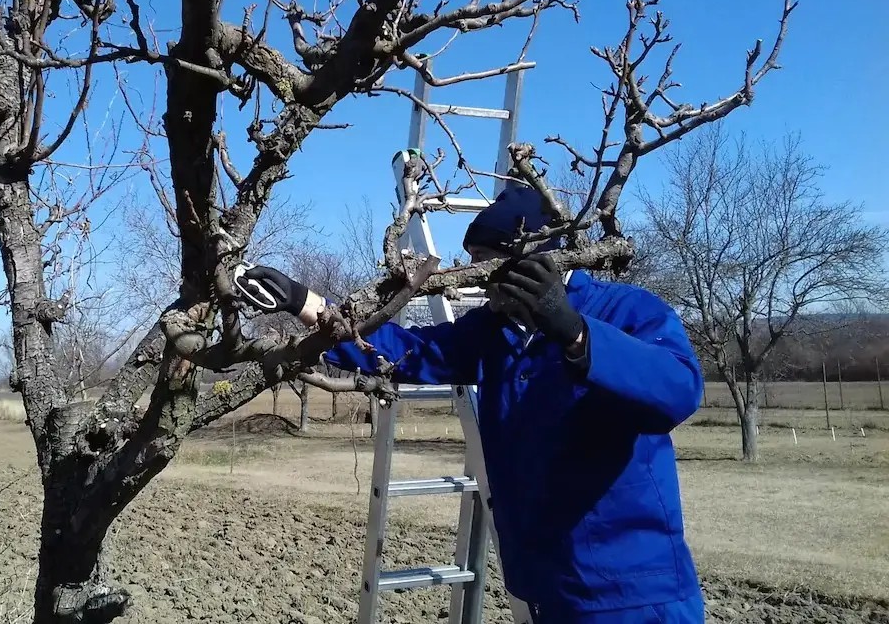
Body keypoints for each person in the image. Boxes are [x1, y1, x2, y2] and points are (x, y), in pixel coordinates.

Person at [237, 184, 706, 623]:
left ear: (532, 262)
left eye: (486, 262)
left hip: (634, 595)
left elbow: (678, 392)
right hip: (542, 590)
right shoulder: (491, 332)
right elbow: (404, 352)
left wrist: (574, 331)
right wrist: (306, 303)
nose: (478, 280)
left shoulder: (627, 311)